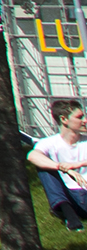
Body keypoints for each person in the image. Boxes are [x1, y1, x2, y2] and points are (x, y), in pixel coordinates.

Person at [31, 98, 87, 234]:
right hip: (69, 197)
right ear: (64, 119)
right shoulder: (50, 143)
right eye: (80, 117)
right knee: (44, 168)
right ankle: (70, 217)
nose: (85, 120)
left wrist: (76, 165)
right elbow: (32, 156)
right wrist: (63, 168)